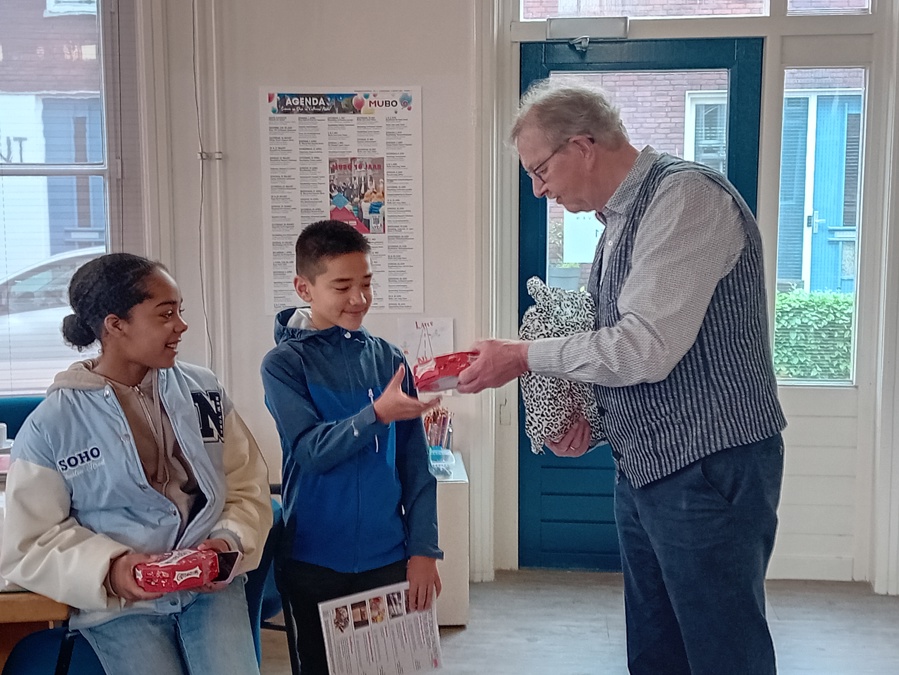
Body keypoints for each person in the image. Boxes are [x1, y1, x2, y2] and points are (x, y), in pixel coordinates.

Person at [457, 80, 787, 675]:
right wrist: (587, 410)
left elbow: (646, 349)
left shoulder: (685, 199)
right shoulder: (617, 224)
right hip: (648, 466)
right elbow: (609, 333)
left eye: (540, 171)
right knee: (656, 649)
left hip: (708, 464)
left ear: (582, 146)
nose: (539, 190)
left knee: (721, 651)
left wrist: (522, 355)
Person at [0, 253, 273, 675]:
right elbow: (28, 541)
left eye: (179, 311)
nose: (180, 325)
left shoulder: (203, 391)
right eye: (165, 314)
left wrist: (226, 541)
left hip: (209, 589)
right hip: (120, 606)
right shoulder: (52, 425)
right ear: (115, 325)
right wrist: (112, 570)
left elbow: (245, 485)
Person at [260, 219, 443, 675]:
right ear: (304, 288)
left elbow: (415, 465)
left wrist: (423, 549)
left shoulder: (388, 359)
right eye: (342, 286)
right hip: (314, 558)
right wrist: (375, 414)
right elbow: (310, 450)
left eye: (366, 284)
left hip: (389, 556)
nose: (359, 299)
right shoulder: (284, 364)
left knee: (395, 667)